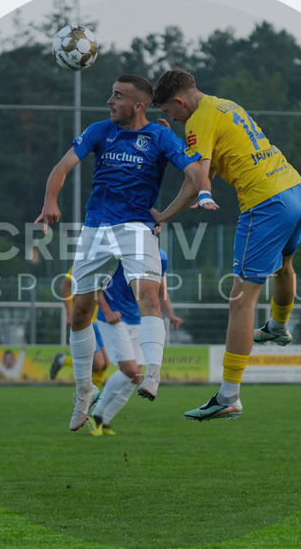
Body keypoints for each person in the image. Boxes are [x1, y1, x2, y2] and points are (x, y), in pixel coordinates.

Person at [34, 74, 211, 431]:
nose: (109, 101)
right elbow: (62, 167)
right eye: (111, 94)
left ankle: (153, 373)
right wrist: (50, 199)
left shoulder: (161, 136)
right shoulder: (101, 130)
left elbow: (195, 176)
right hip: (96, 227)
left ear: (138, 105)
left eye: (117, 96)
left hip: (135, 227)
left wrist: (178, 207)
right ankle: (84, 393)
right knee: (81, 313)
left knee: (149, 295)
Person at [152, 69, 301, 422]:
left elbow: (196, 179)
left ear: (179, 101)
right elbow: (207, 150)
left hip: (266, 203)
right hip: (296, 188)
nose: (172, 119)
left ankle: (228, 396)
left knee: (240, 301)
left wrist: (162, 216)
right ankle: (278, 325)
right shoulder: (225, 105)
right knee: (284, 266)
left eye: (168, 112)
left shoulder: (198, 119)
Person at [88, 249, 182, 436]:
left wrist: (170, 315)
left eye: (154, 226)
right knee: (130, 369)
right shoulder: (120, 251)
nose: (152, 229)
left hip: (137, 320)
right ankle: (96, 416)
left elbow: (161, 292)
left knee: (136, 377)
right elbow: (94, 282)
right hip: (113, 318)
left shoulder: (160, 257)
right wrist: (106, 311)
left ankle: (105, 421)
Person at [49, 270, 111, 389]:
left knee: (104, 364)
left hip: (100, 320)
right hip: (84, 320)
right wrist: (69, 313)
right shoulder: (85, 262)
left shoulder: (108, 264)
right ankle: (61, 360)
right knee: (97, 363)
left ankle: (93, 402)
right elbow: (64, 285)